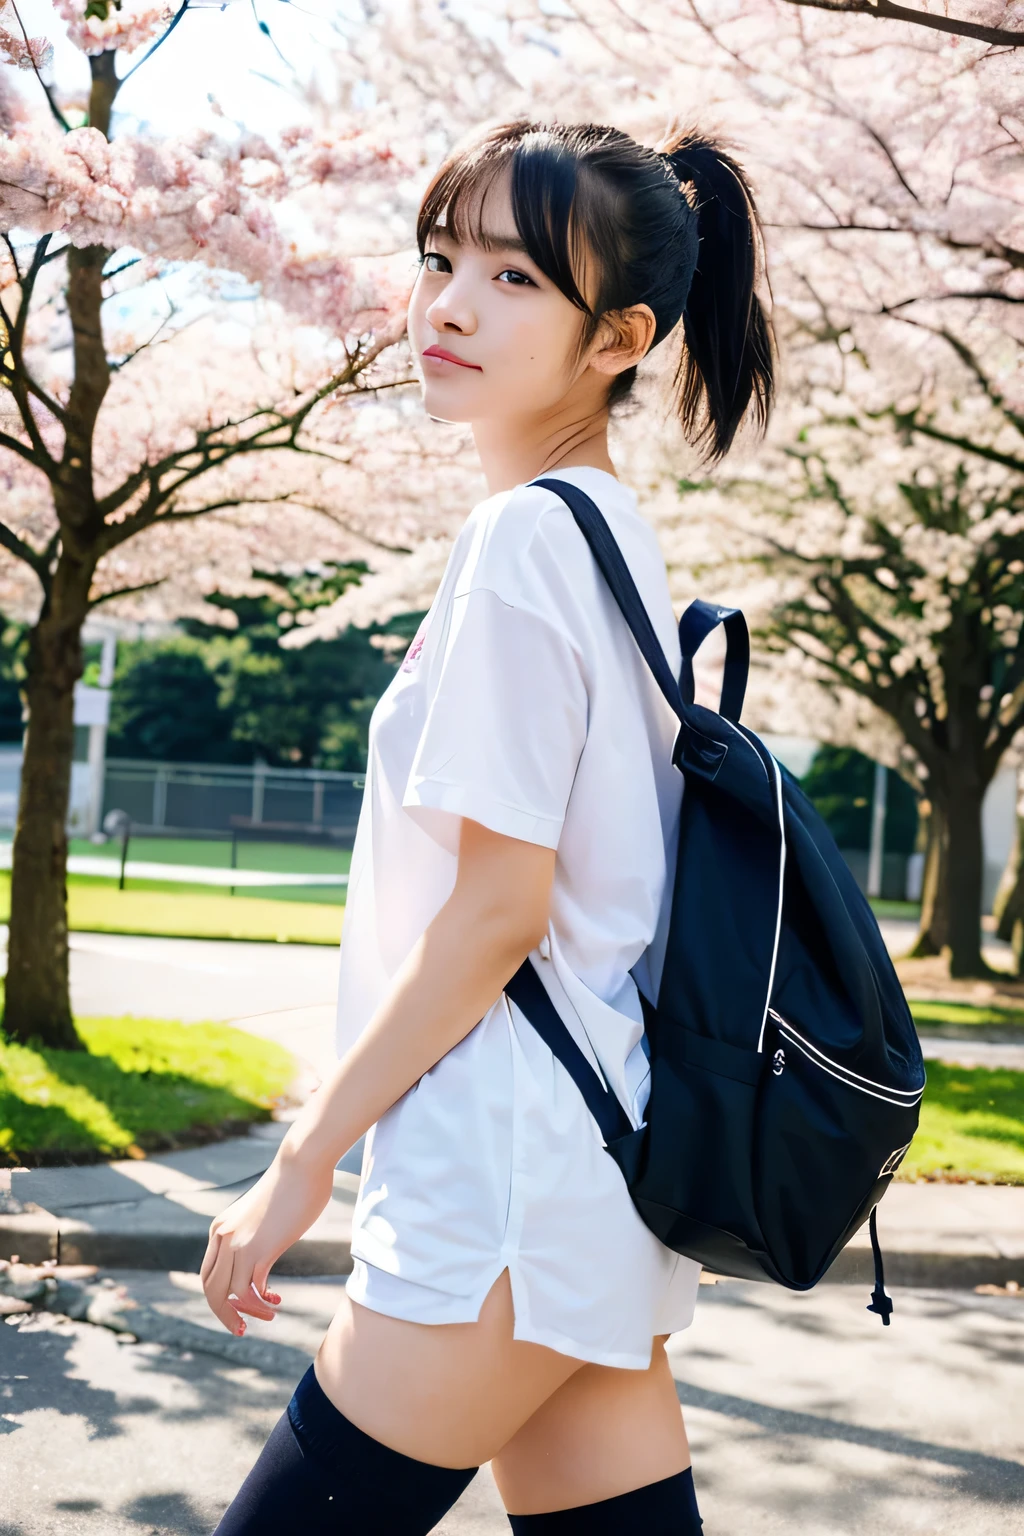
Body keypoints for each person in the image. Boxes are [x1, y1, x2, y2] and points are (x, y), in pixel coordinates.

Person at [202, 117, 774, 1535]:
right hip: (584, 1183)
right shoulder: (603, 533)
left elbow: (496, 910)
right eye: (440, 257)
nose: (448, 303)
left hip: (503, 1186)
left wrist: (301, 1160)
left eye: (517, 280)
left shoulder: (524, 543)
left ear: (619, 338)